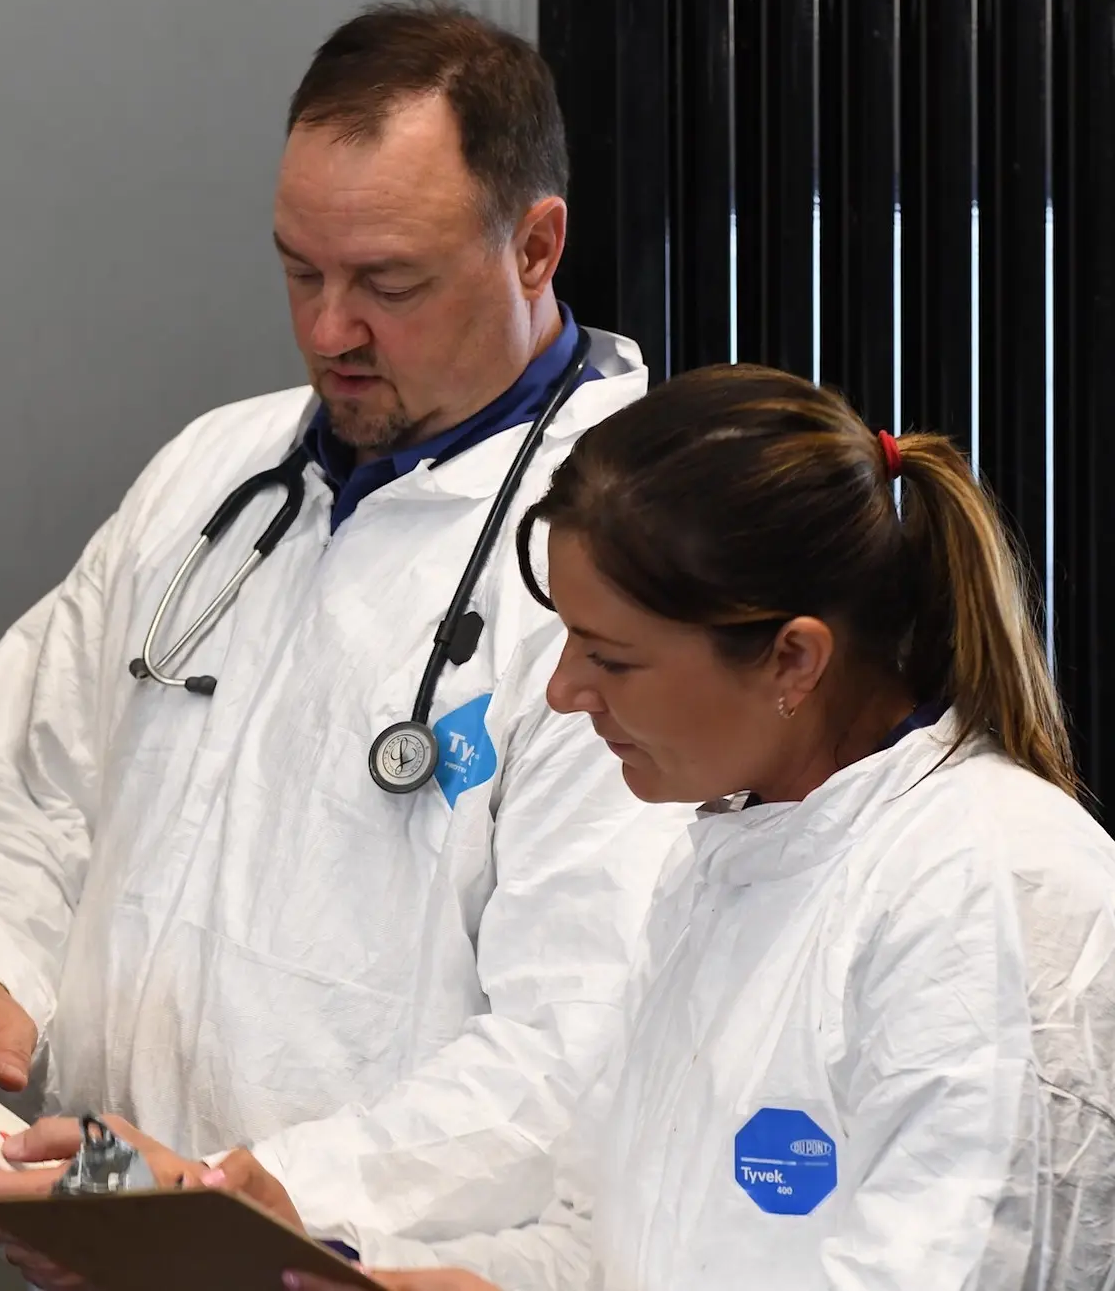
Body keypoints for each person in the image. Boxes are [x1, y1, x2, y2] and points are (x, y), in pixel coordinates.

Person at [0, 0, 694, 1265]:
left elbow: (581, 1046)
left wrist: (241, 1190)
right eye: (298, 271)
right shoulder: (210, 473)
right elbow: (15, 786)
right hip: (116, 1231)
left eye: (387, 283)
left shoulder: (626, 565)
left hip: (377, 1264)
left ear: (535, 247)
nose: (328, 332)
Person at [275, 365, 1115, 1288]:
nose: (563, 692)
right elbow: (610, 1248)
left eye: (613, 659)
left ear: (793, 657)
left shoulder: (999, 890)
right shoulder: (722, 871)